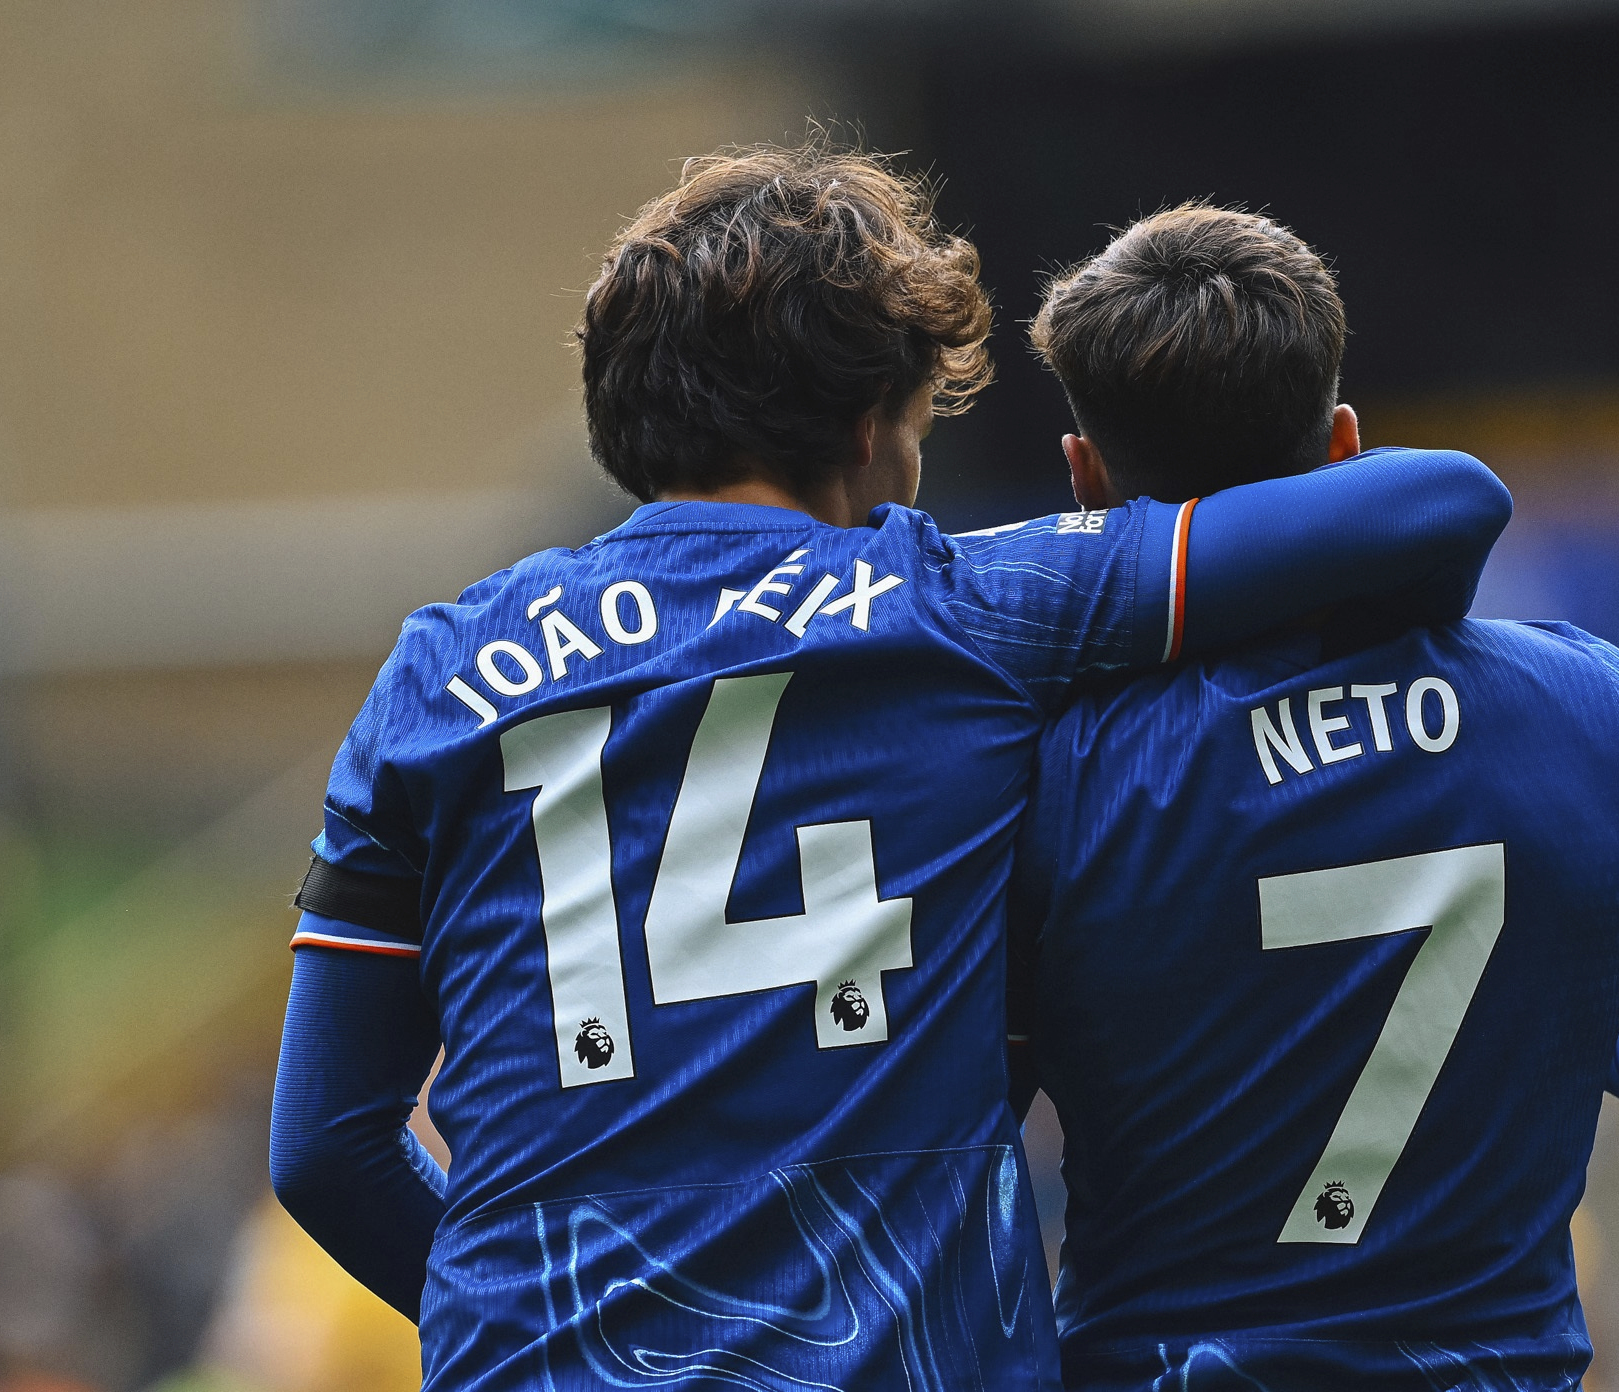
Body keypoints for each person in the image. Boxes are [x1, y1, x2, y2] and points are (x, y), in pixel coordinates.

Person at [265, 147, 1514, 1392]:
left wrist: (554, 1334)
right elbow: (1438, 503)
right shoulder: (960, 610)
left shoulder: (435, 672)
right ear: (867, 423)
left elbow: (323, 1147)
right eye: (917, 428)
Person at [1007, 204, 1619, 1392]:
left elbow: (948, 1149)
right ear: (1346, 444)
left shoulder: (1044, 779)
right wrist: (1572, 991)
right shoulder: (1595, 714)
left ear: (1084, 477)